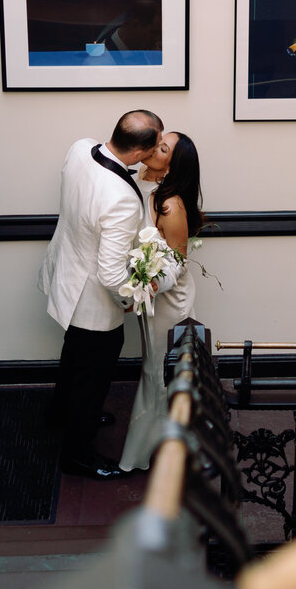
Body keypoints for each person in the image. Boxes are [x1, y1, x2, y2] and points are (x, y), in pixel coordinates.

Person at [38, 108, 179, 478]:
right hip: (92, 304)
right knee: (92, 377)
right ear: (141, 151)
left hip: (65, 272)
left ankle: (59, 411)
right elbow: (111, 273)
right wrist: (133, 297)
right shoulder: (120, 199)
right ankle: (78, 454)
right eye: (158, 143)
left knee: (73, 355)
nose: (161, 147)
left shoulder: (80, 147)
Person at [118, 130, 202, 472]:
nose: (154, 148)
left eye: (162, 148)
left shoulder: (171, 204)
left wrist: (148, 285)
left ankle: (168, 451)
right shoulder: (139, 182)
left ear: (170, 166)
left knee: (161, 371)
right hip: (149, 300)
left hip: (169, 302)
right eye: (156, 141)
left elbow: (179, 262)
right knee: (152, 368)